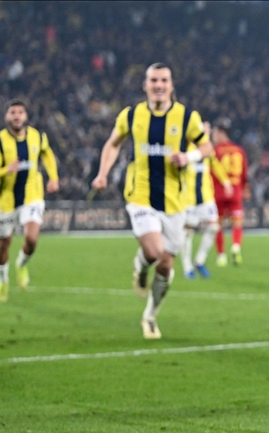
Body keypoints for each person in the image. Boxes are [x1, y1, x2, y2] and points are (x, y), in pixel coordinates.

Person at [92, 63, 212, 339]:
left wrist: (188, 157)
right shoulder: (131, 115)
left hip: (175, 202)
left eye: (164, 80)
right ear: (145, 85)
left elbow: (206, 146)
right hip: (140, 196)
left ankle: (150, 315)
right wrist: (102, 174)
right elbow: (113, 143)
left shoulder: (187, 117)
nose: (159, 85)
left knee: (166, 266)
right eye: (154, 80)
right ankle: (140, 265)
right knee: (155, 250)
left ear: (171, 85)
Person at [0, 99, 59, 302]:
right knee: (3, 244)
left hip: (32, 195)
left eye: (20, 112)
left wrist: (53, 177)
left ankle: (21, 264)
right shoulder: (0, 141)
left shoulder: (37, 136)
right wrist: (6, 170)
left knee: (31, 239)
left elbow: (47, 153)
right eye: (13, 112)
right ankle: (3, 279)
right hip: (6, 201)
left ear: (25, 116)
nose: (17, 116)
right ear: (7, 116)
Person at [180, 121, 230, 279]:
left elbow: (216, 165)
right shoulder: (186, 148)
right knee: (187, 232)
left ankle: (199, 261)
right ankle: (187, 267)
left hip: (206, 196)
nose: (209, 131)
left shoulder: (208, 149)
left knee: (214, 226)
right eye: (206, 128)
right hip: (188, 198)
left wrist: (226, 182)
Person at [210, 118, 246, 267]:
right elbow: (244, 173)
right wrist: (243, 189)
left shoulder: (214, 151)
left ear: (221, 133)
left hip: (218, 192)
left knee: (218, 225)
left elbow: (211, 172)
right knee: (237, 223)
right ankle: (236, 246)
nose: (213, 136)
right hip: (235, 191)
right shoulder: (239, 150)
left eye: (215, 133)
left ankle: (221, 256)